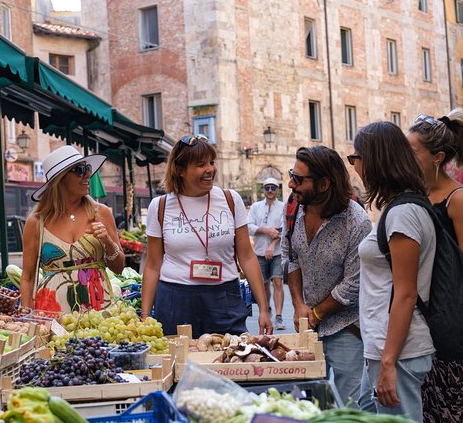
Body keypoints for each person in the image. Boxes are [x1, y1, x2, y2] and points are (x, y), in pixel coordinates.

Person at [141, 135, 272, 338]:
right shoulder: (160, 206)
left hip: (224, 297)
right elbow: (152, 265)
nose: (210, 169)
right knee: (180, 364)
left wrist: (264, 308)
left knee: (230, 362)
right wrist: (145, 315)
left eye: (211, 162)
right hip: (176, 300)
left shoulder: (230, 199)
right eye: (201, 165)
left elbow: (247, 256)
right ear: (180, 169)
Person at [351, 122, 436, 422]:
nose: (354, 166)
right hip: (385, 345)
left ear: (375, 159)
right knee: (366, 411)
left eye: (355, 158)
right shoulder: (397, 208)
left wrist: (388, 362)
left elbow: (406, 293)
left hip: (399, 350)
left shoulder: (403, 213)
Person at [407, 109, 463, 423]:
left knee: (459, 401)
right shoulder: (413, 195)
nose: (406, 156)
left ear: (437, 156)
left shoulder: (459, 198)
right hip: (419, 318)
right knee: (428, 404)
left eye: (412, 151)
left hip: (451, 320)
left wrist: (431, 297)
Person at [282, 146, 372, 407]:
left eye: (299, 179)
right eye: (291, 175)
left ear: (323, 184)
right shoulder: (293, 208)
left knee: (348, 406)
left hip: (346, 328)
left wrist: (316, 313)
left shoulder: (356, 221)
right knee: (310, 403)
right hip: (307, 327)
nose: (291, 184)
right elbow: (291, 257)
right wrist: (299, 305)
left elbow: (353, 284)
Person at [20, 145, 125, 313]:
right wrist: (26, 316)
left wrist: (107, 241)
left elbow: (119, 268)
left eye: (88, 169)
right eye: (80, 170)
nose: (88, 175)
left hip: (99, 310)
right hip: (52, 312)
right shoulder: (37, 222)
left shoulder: (101, 213)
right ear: (60, 179)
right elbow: (28, 277)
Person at [247, 177, 286, 329]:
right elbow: (248, 226)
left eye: (273, 188)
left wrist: (272, 244)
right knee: (263, 285)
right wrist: (265, 230)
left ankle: (279, 316)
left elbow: (284, 230)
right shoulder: (256, 207)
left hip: (276, 252)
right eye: (267, 188)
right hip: (259, 251)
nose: (270, 191)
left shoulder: (283, 207)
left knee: (277, 281)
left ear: (277, 190)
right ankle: (266, 309)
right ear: (263, 190)